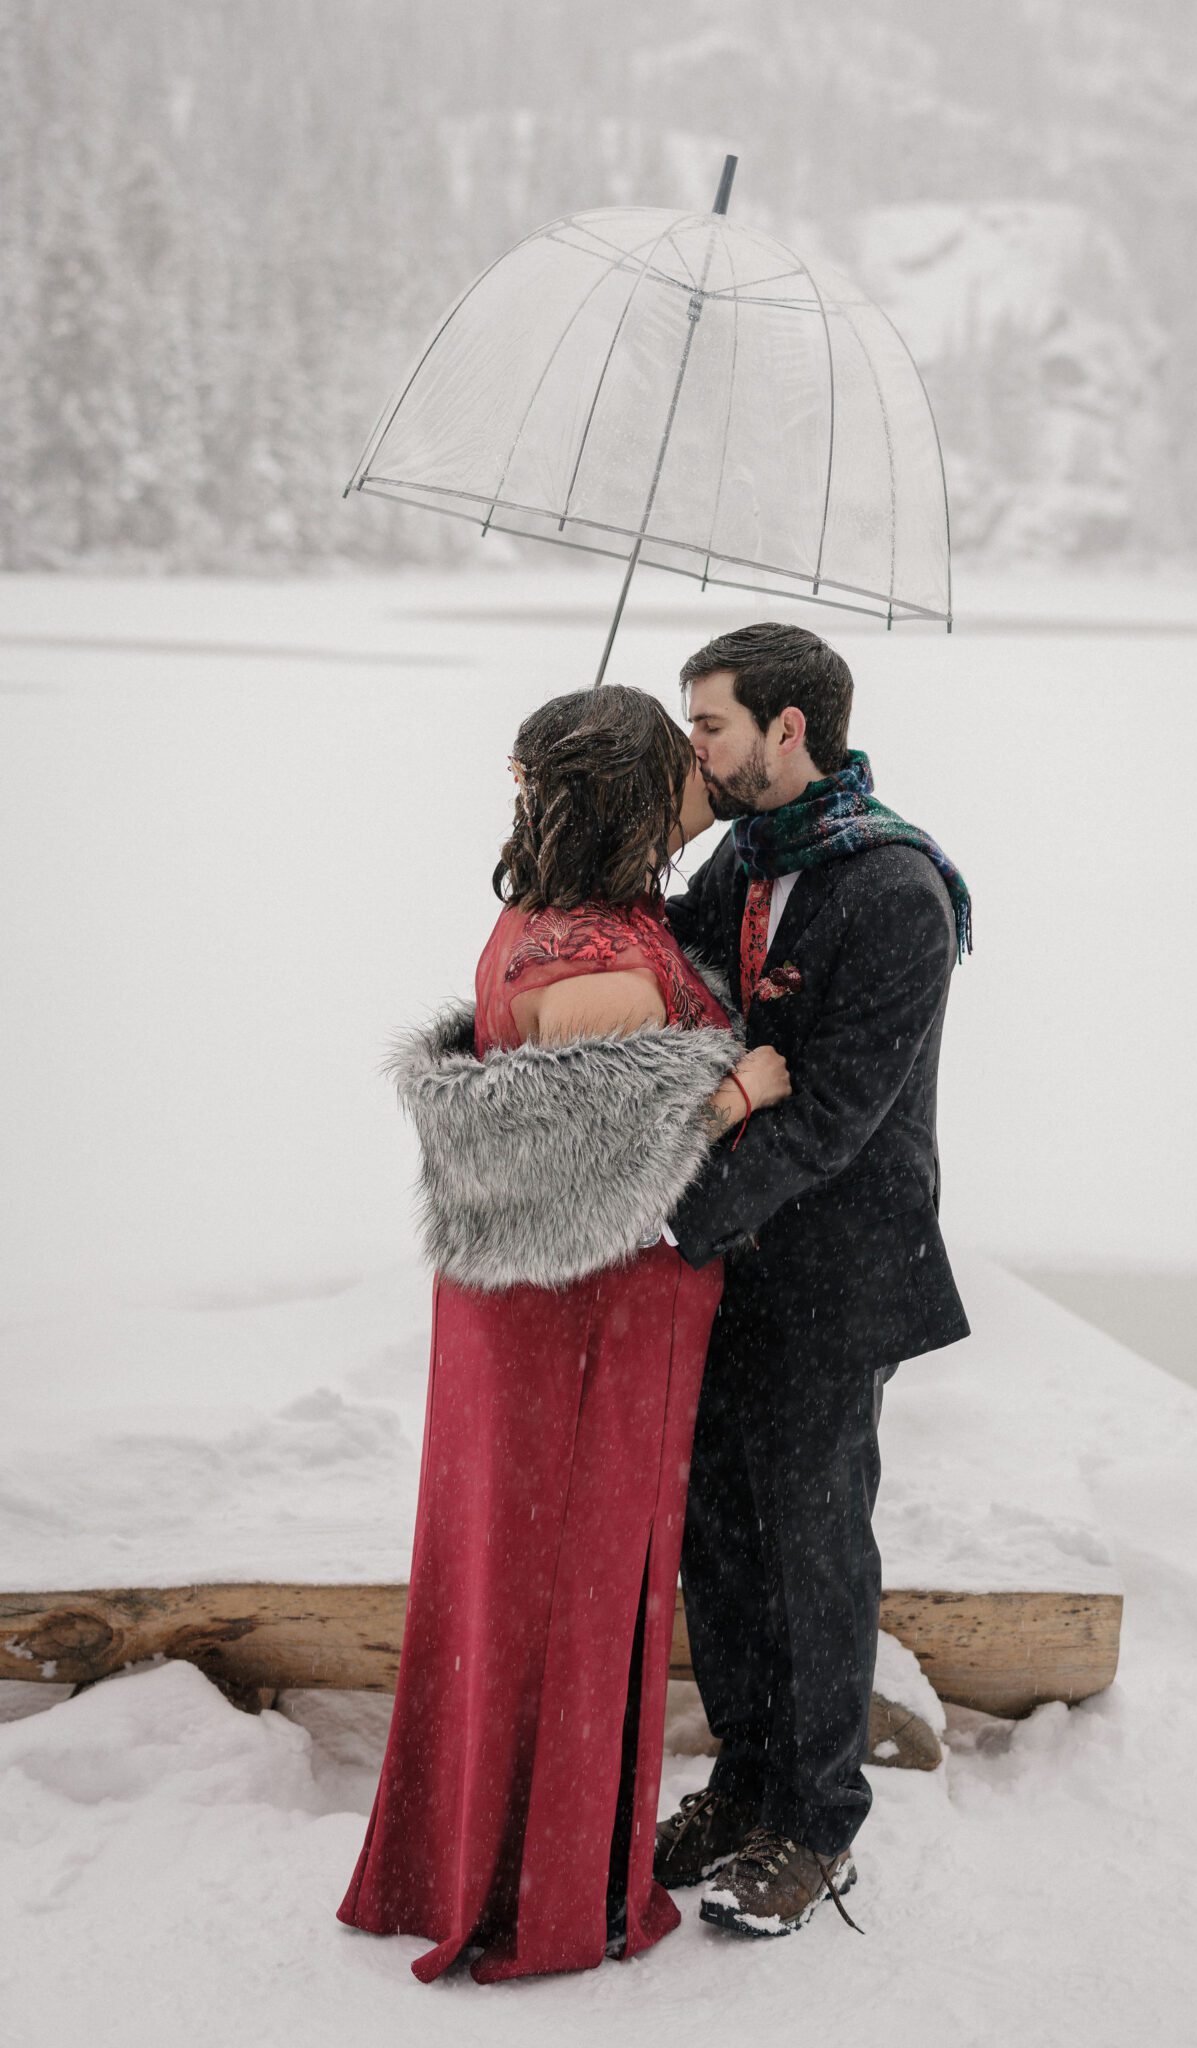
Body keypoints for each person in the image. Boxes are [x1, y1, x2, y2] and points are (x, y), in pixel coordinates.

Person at [336, 684, 790, 1984]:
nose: (699, 779)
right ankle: (543, 1900)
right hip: (588, 1323)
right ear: (627, 800)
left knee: (512, 1582)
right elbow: (603, 1176)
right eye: (675, 766)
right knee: (573, 1595)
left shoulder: (558, 914)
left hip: (527, 1316)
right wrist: (734, 1093)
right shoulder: (594, 969)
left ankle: (473, 1852)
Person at [655, 621, 972, 1938]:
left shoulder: (892, 890)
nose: (696, 749)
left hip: (839, 1272)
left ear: (790, 729)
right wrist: (572, 861)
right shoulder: (745, 846)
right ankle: (740, 1782)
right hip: (735, 1258)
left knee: (811, 1543)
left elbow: (837, 1110)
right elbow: (660, 958)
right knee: (714, 1535)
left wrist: (668, 1208)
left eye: (709, 726)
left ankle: (814, 1823)